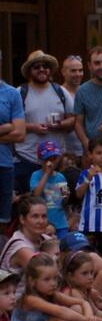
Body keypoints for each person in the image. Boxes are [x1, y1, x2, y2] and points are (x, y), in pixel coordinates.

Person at [13, 51, 75, 194]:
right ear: (29, 71)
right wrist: (32, 127)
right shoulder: (19, 93)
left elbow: (73, 119)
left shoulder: (60, 91)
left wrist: (60, 125)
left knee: (58, 202)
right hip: (27, 159)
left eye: (45, 66)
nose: (41, 69)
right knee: (29, 203)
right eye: (36, 67)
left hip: (57, 161)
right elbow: (12, 124)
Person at [0, 56, 26, 226]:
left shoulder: (12, 93)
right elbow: (13, 129)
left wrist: (13, 127)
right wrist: (7, 126)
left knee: (3, 221)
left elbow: (20, 133)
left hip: (4, 164)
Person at [59, 53, 85, 163]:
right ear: (63, 72)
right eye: (73, 71)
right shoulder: (58, 93)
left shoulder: (86, 92)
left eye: (80, 70)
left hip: (86, 151)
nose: (78, 74)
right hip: (66, 153)